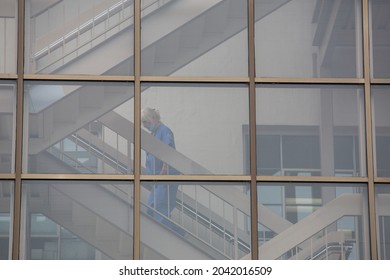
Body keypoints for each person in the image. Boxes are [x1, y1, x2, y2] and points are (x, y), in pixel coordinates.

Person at [141, 107, 183, 235]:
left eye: (146, 122)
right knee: (151, 208)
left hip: (165, 177)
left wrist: (163, 172)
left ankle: (176, 234)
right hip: (157, 180)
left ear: (153, 119)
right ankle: (176, 233)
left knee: (160, 208)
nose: (145, 126)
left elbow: (168, 152)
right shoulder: (153, 134)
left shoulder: (165, 131)